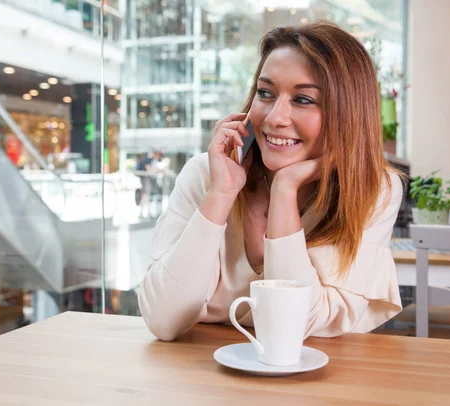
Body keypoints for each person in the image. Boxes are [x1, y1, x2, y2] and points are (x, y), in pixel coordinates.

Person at [139, 22, 403, 341]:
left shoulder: (374, 189)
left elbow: (291, 326)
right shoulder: (208, 174)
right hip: (203, 376)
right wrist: (221, 193)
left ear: (348, 115)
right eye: (266, 93)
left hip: (322, 379)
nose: (275, 117)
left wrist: (284, 191)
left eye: (303, 99)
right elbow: (163, 320)